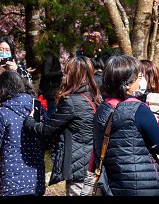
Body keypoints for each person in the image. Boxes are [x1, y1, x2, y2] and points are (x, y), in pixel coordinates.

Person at [94, 54, 159, 196]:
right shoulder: (138, 110)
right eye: (139, 77)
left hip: (112, 186)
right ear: (127, 84)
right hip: (143, 186)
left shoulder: (101, 109)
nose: (142, 82)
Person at [23, 56, 101, 195]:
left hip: (77, 166)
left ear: (74, 75)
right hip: (92, 162)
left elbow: (47, 130)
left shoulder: (72, 102)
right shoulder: (95, 97)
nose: (63, 76)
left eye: (66, 73)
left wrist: (29, 121)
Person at [0, 69, 46, 196]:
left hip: (12, 179)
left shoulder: (2, 112)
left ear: (3, 89)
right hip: (36, 177)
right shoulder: (37, 107)